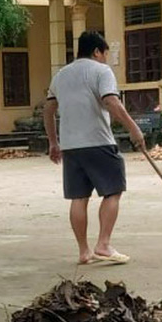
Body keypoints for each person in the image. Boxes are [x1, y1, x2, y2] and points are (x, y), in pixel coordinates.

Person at [43, 30, 146, 265]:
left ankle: (84, 251)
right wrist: (133, 129)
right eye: (105, 53)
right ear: (97, 51)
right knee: (113, 190)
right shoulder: (101, 71)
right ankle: (104, 244)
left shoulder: (61, 75)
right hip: (98, 141)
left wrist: (53, 142)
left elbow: (48, 110)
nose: (106, 59)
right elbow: (111, 101)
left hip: (71, 146)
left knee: (79, 197)